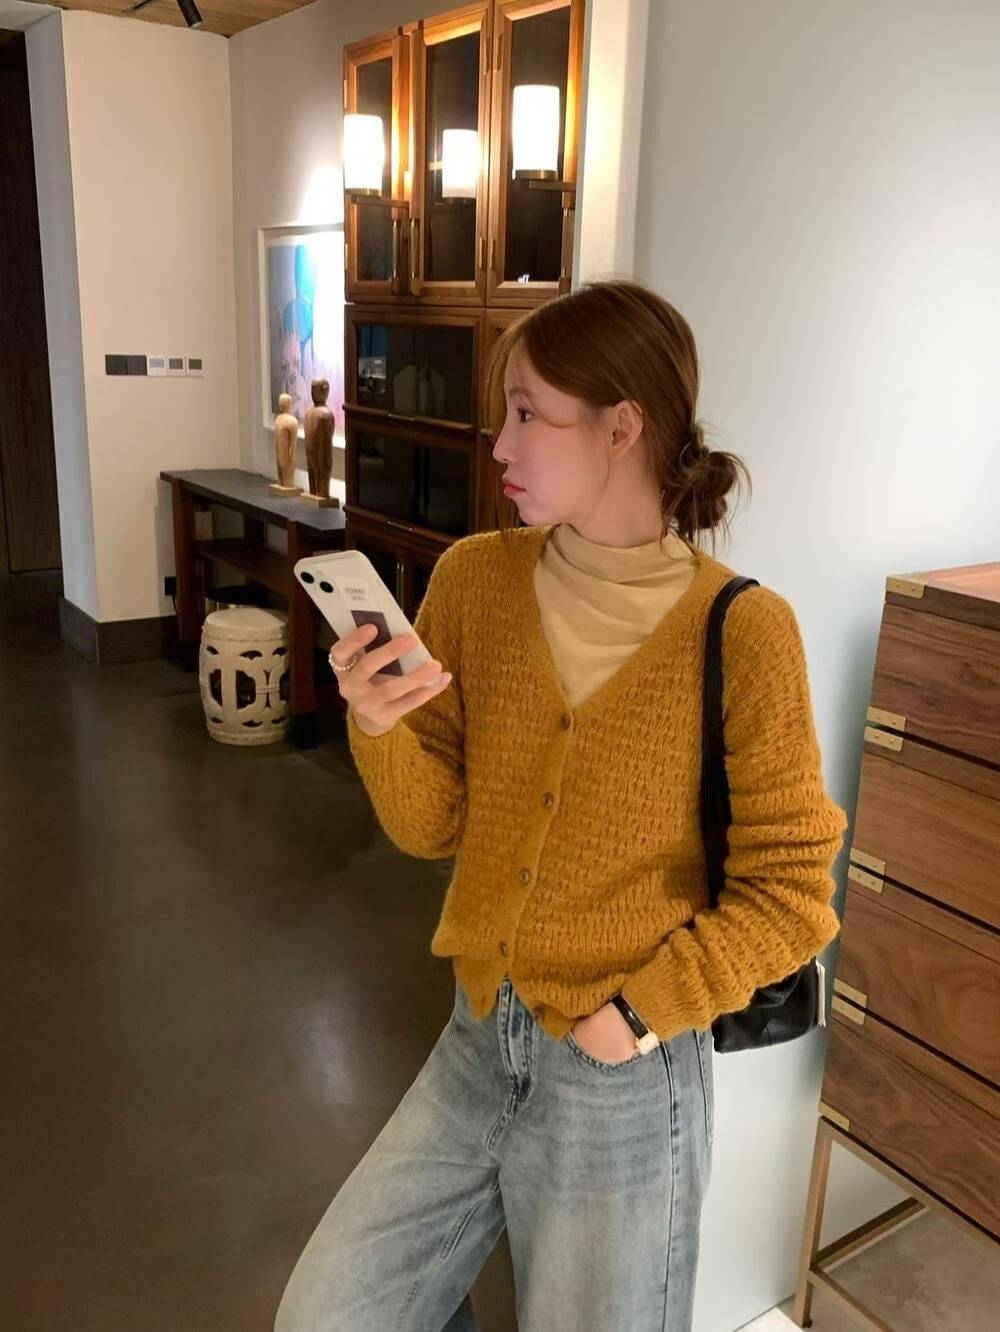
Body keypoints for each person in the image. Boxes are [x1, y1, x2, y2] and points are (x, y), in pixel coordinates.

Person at [274, 279, 849, 1331]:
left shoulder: (743, 631)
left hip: (623, 1079)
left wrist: (631, 1020)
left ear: (622, 427)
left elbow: (792, 894)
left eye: (528, 413)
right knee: (332, 1314)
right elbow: (432, 826)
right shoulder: (475, 581)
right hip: (477, 1037)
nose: (499, 443)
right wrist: (378, 725)